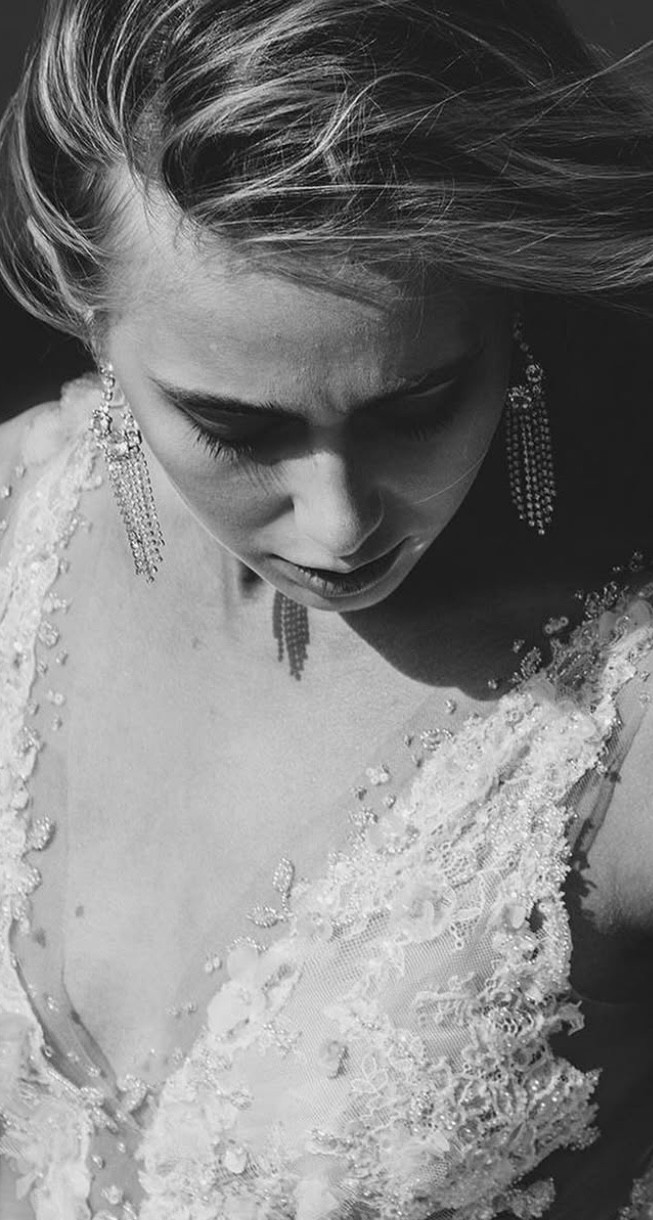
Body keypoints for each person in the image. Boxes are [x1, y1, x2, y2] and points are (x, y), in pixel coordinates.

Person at [1, 0, 653, 1216]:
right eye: (234, 425)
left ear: (507, 310)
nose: (338, 524)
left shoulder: (623, 723)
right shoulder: (16, 520)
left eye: (415, 404)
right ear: (89, 317)